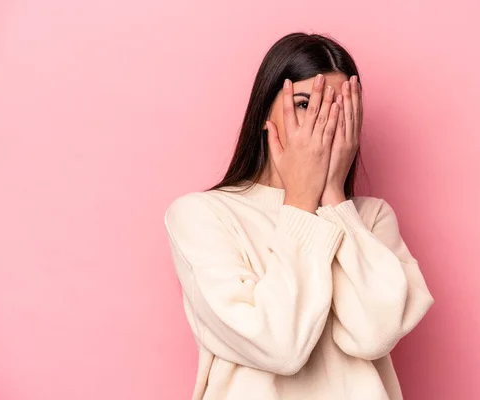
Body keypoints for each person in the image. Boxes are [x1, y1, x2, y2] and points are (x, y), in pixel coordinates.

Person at [163, 32, 434, 400]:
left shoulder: (369, 219)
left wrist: (335, 201)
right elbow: (279, 346)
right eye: (305, 104)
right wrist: (302, 199)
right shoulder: (203, 215)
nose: (322, 123)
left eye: (339, 108)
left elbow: (374, 334)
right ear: (263, 114)